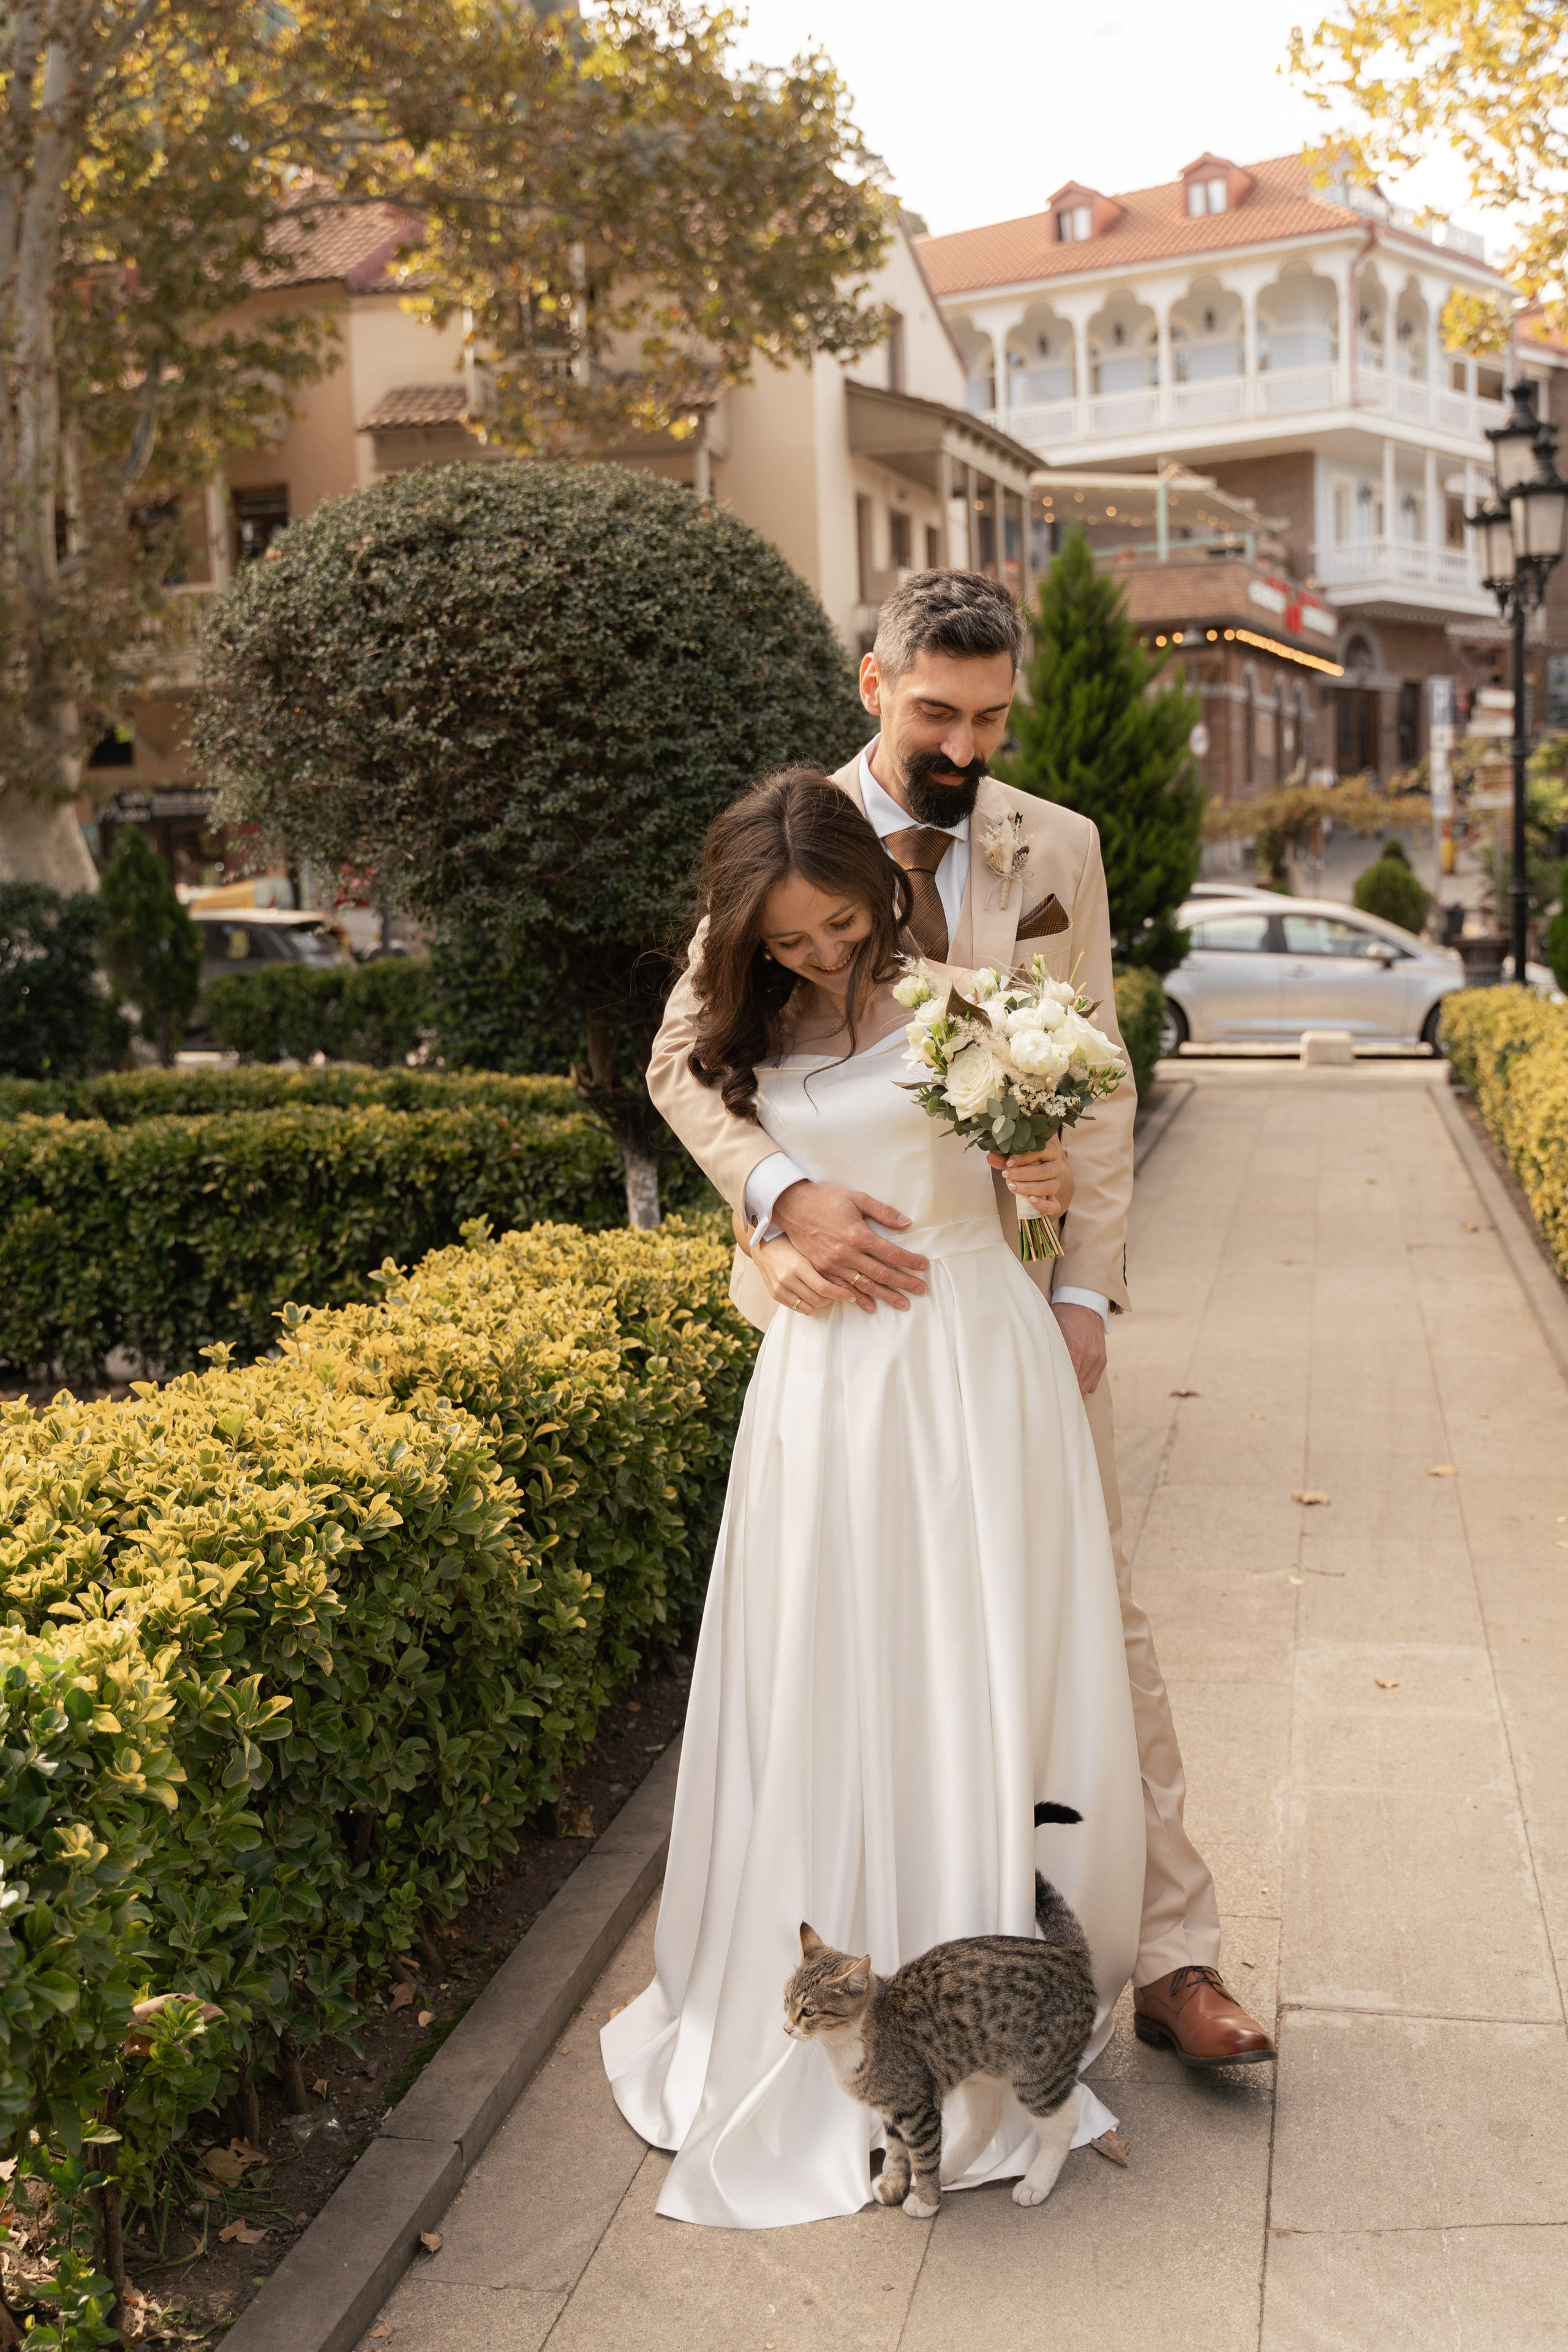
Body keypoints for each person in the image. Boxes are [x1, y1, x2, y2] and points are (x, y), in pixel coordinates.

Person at [646, 568, 1275, 2069]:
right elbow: (687, 1058)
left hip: (1000, 1307)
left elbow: (1093, 1074)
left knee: (1081, 1622)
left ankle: (1166, 1957)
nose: (969, 744)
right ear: (873, 685)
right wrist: (778, 1198)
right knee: (860, 1639)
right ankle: (885, 1955)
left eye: (994, 717)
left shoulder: (1055, 846)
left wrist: (1078, 1288)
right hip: (838, 1315)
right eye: (938, 711)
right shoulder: (790, 845)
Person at [601, 771, 1145, 2226]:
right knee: (829, 1673)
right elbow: (675, 1081)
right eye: (785, 943)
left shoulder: (968, 1004)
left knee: (972, 1668)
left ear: (881, 894)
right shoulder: (738, 1017)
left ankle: (988, 2016)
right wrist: (776, 1193)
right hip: (827, 1393)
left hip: (972, 1373)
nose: (820, 957)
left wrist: (1039, 1193)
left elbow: (1055, 1167)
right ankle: (826, 2007)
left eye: (837, 927)